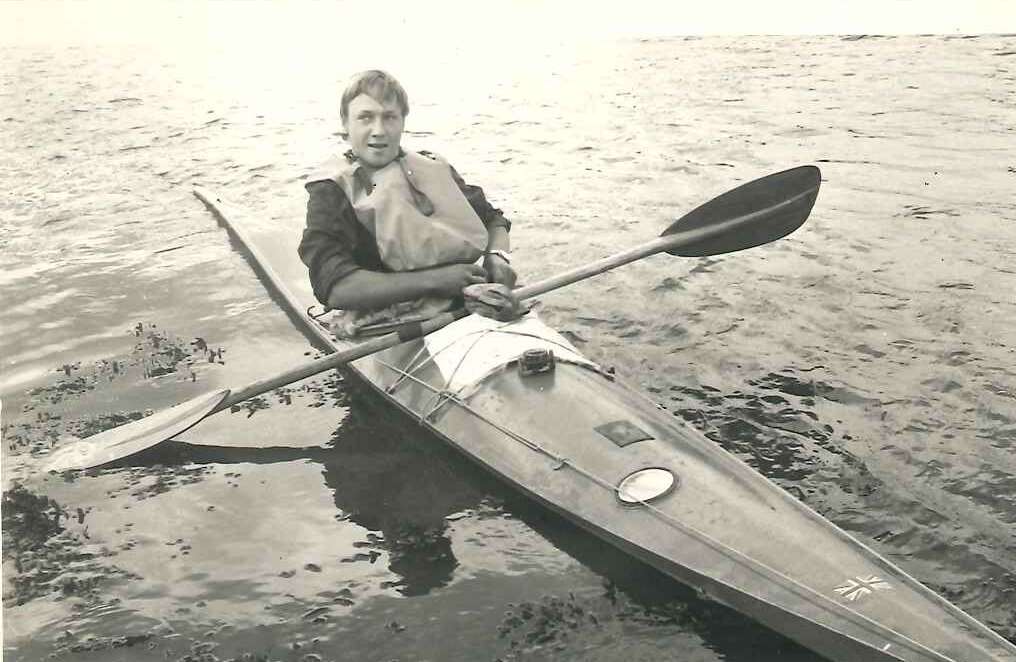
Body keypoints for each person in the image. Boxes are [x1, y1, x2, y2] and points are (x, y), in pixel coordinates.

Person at [298, 70, 517, 337]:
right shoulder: (330, 189)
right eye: (365, 117)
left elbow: (494, 220)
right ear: (346, 125)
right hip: (392, 320)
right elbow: (335, 287)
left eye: (389, 117)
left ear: (402, 122)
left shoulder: (432, 165)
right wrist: (438, 280)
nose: (378, 130)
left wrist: (498, 257)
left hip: (473, 301)